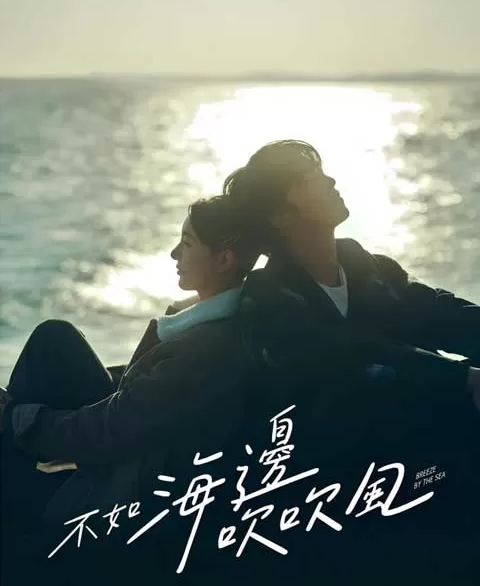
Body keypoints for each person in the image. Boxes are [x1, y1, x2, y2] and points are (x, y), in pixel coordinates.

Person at [0, 194, 260, 529]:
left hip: (125, 492)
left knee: (15, 429)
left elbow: (112, 427)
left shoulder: (205, 349)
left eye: (187, 244)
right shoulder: (207, 320)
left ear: (223, 259)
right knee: (55, 341)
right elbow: (146, 390)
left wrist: (15, 417)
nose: (174, 253)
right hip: (133, 447)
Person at [223, 139, 480, 410]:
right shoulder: (267, 296)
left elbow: (439, 313)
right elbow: (349, 356)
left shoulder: (375, 269)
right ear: (280, 216)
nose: (330, 181)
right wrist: (462, 378)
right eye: (311, 178)